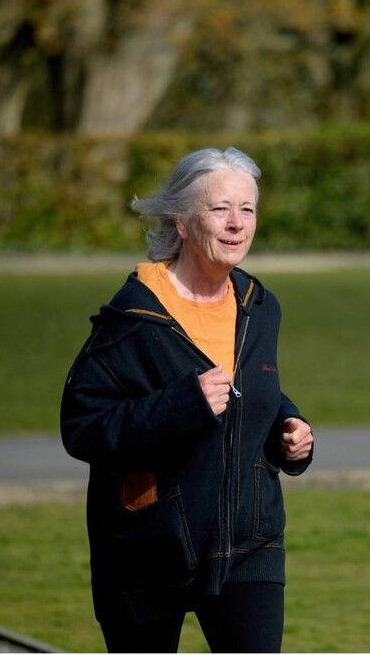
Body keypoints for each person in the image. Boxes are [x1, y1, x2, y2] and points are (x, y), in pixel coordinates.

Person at [60, 147, 314, 653]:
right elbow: (82, 426)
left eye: (248, 209)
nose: (237, 223)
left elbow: (252, 388)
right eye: (220, 208)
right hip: (148, 547)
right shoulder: (132, 318)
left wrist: (290, 428)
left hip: (250, 545)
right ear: (180, 220)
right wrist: (181, 405)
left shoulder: (259, 306)